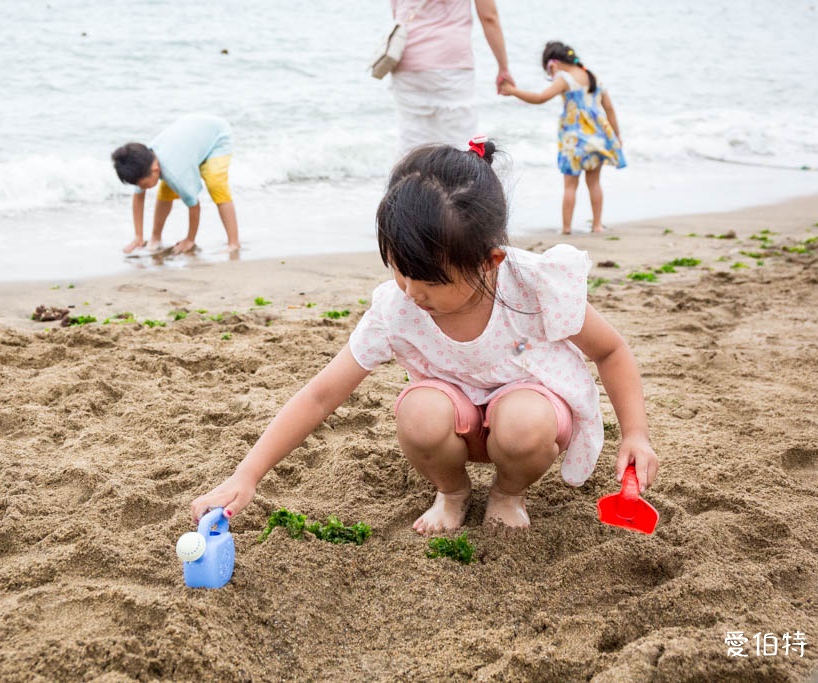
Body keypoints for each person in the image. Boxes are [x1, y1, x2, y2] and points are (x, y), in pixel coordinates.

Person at [190, 140, 658, 535]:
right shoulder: (397, 310)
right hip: (454, 424)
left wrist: (635, 434)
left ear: (489, 262)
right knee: (417, 410)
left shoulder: (535, 285)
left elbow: (610, 350)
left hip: (529, 423)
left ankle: (507, 493)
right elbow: (319, 395)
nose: (412, 292)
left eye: (430, 281)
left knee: (523, 421)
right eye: (399, 270)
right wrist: (246, 474)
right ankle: (452, 492)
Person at [500, 41, 625, 235]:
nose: (551, 77)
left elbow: (540, 98)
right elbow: (609, 108)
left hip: (574, 140)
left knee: (570, 185)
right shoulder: (593, 77)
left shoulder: (564, 79)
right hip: (597, 138)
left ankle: (566, 228)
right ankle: (597, 225)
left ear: (553, 64)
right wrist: (616, 135)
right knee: (594, 183)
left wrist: (513, 91)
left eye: (549, 72)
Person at [389, 0, 513, 156]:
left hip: (406, 59)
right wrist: (503, 67)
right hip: (451, 63)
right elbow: (489, 17)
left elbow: (397, 11)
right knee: (461, 146)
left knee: (411, 146)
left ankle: (408, 179)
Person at [111, 114, 240, 256]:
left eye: (145, 185)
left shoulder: (175, 175)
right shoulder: (139, 163)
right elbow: (138, 198)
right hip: (192, 137)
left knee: (216, 184)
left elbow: (194, 206)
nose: (144, 188)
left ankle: (233, 243)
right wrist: (138, 236)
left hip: (217, 137)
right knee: (165, 191)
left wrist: (190, 239)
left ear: (155, 170)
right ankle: (156, 237)